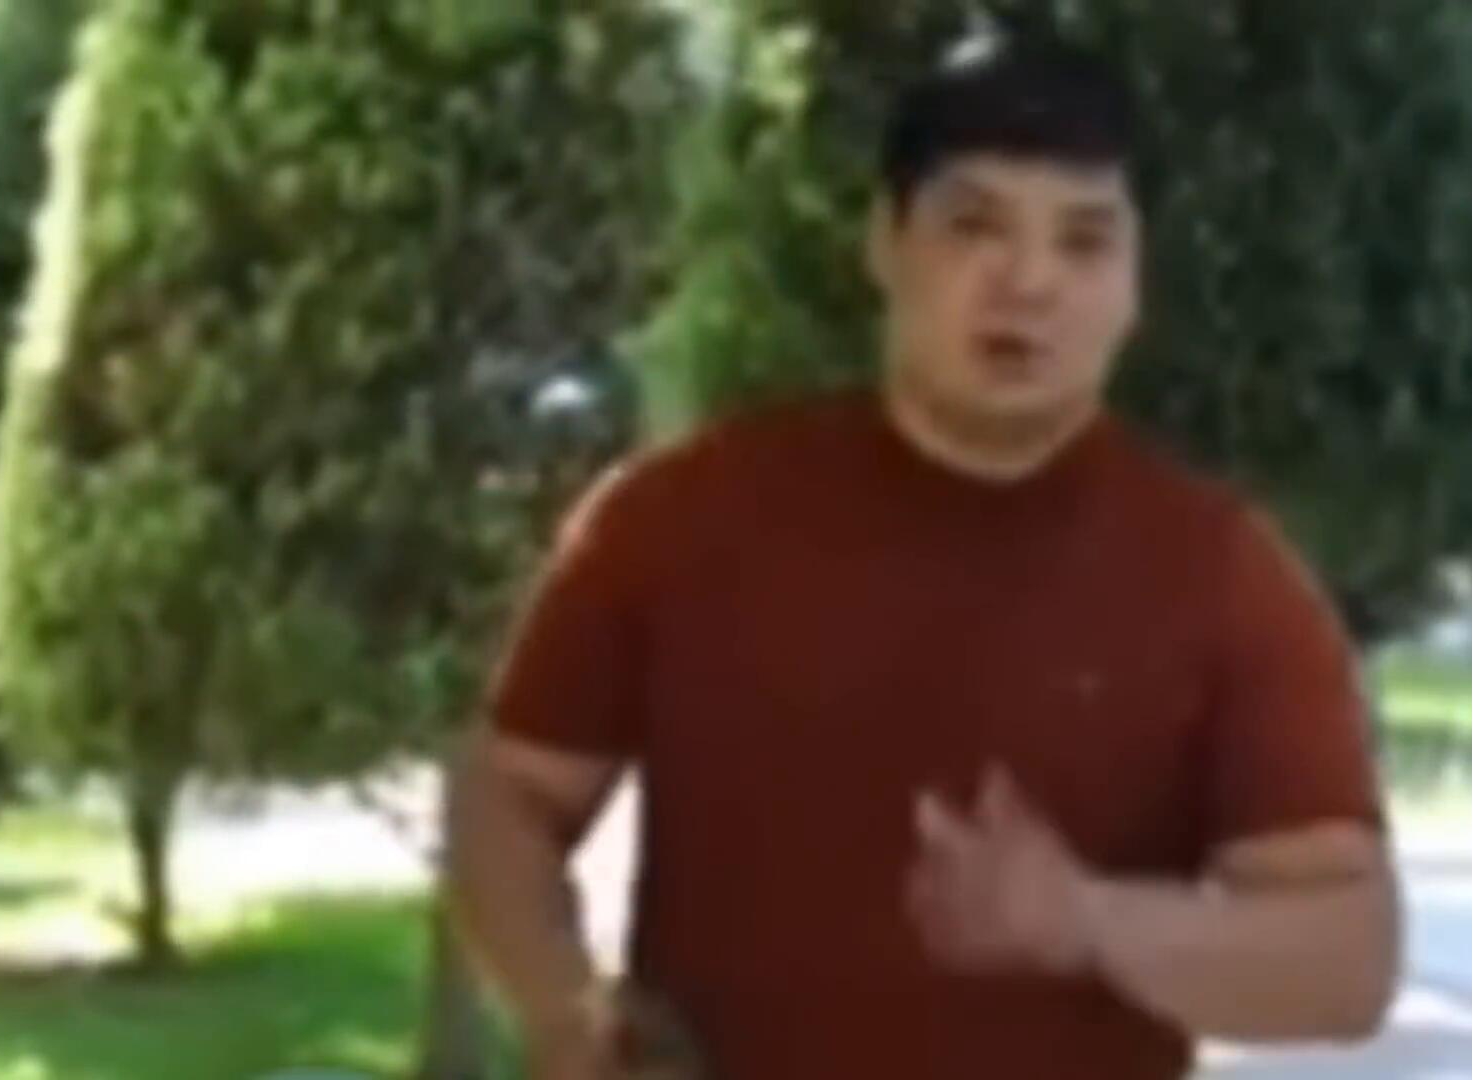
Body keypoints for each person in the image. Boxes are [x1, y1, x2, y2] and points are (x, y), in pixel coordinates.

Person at [448, 28, 1401, 1080]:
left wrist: (1087, 919)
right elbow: (508, 794)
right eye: (974, 226)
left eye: (1084, 241)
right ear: (885, 242)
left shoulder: (1220, 573)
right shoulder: (678, 517)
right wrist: (560, 1005)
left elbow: (1347, 960)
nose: (1028, 281)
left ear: (1134, 284)